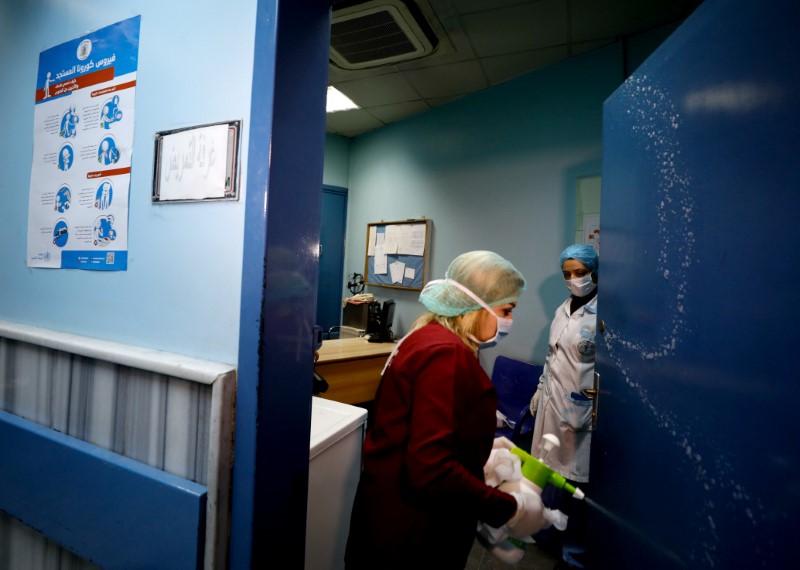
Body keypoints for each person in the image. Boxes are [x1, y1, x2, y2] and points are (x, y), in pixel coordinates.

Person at [344, 251, 540, 569]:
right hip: (413, 533)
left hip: (389, 518)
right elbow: (431, 469)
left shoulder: (426, 337)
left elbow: (423, 428)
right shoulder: (446, 355)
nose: (509, 321)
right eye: (507, 309)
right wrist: (508, 508)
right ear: (478, 305)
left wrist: (481, 450)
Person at [529, 243, 598, 569]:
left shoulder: (603, 314)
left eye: (580, 273)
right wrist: (540, 390)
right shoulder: (562, 309)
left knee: (577, 484)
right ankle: (546, 536)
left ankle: (574, 555)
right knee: (551, 472)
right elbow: (552, 357)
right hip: (552, 403)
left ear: (594, 272)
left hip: (580, 410)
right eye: (567, 274)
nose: (574, 280)